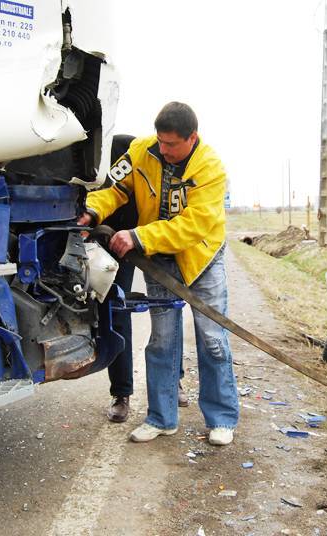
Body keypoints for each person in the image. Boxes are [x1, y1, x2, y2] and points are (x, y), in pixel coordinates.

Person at [78, 102, 238, 445]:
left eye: (171, 145)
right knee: (162, 340)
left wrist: (138, 236)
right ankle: (161, 418)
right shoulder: (141, 150)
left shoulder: (210, 168)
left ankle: (221, 418)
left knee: (212, 338)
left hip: (201, 259)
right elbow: (116, 190)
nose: (163, 150)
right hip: (159, 260)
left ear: (191, 138)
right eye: (161, 142)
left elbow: (194, 226)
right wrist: (93, 211)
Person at [99, 137, 189, 424]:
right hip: (115, 241)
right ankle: (121, 394)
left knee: (167, 310)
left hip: (154, 239)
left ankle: (174, 379)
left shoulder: (132, 146)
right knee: (117, 310)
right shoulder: (82, 155)